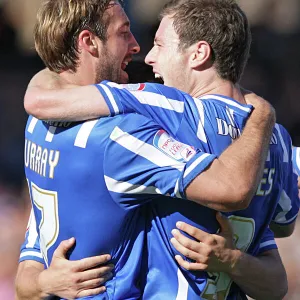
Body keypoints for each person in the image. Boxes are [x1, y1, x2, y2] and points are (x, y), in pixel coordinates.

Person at [16, 0, 291, 300]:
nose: (141, 51)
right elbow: (239, 192)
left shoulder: (37, 129)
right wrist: (263, 114)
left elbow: (25, 278)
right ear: (89, 42)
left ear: (199, 53)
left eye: (159, 44)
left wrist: (43, 283)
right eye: (124, 33)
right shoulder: (125, 134)